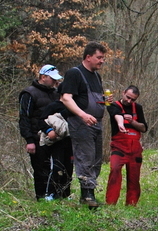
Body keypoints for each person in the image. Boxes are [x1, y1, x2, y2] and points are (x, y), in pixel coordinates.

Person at [59, 42, 108, 208]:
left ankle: (89, 194)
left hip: (96, 123)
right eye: (99, 57)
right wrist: (83, 115)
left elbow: (91, 98)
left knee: (96, 159)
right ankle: (87, 196)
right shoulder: (75, 73)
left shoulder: (96, 76)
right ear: (88, 57)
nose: (102, 61)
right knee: (85, 158)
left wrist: (104, 101)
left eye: (103, 58)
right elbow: (66, 98)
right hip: (81, 123)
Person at [18, 64, 72, 200]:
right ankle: (41, 198)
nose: (55, 82)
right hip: (37, 138)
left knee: (59, 168)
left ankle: (58, 195)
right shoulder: (28, 93)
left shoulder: (55, 93)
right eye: (53, 79)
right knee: (41, 169)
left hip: (57, 139)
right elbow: (24, 118)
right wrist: (29, 140)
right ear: (43, 77)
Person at [106, 86, 147, 205]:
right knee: (114, 170)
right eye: (128, 97)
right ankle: (111, 204)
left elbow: (144, 128)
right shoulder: (114, 106)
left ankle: (132, 204)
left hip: (135, 149)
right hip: (119, 147)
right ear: (123, 93)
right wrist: (121, 123)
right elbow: (116, 114)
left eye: (132, 99)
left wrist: (132, 122)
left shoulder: (138, 108)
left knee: (134, 178)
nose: (129, 101)